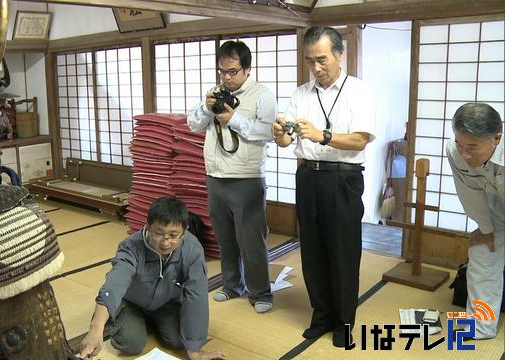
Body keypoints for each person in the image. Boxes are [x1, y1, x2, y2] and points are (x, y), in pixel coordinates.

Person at [272, 26, 375, 347]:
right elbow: (288, 140)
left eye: (322, 60)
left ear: (339, 55)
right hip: (307, 177)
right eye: (309, 61)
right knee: (312, 249)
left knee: (343, 251)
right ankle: (321, 314)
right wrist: (280, 134)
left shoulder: (359, 90)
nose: (316, 68)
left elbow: (360, 139)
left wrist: (323, 135)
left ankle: (344, 321)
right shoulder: (300, 93)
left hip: (342, 178)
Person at [187, 40, 277, 314]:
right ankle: (231, 285)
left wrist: (232, 119)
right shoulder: (216, 92)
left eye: (232, 71)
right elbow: (193, 125)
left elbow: (268, 132)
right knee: (225, 237)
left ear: (247, 69)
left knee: (251, 240)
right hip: (215, 175)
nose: (226, 77)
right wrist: (206, 107)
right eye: (222, 72)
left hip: (246, 177)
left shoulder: (263, 95)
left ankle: (260, 291)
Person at [79, 196, 225, 360]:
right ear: (148, 227)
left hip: (166, 303)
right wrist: (96, 328)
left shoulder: (192, 249)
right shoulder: (131, 246)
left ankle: (150, 323)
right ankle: (123, 317)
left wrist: (194, 350)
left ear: (185, 231)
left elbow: (196, 294)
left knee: (181, 341)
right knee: (130, 344)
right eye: (158, 233)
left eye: (173, 235)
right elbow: (115, 282)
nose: (165, 242)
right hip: (131, 303)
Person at [446, 102, 503, 339]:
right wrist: (486, 230)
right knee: (482, 256)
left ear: (496, 139)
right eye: (460, 143)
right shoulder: (455, 151)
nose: (464, 153)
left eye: (472, 146)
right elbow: (468, 192)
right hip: (497, 209)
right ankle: (481, 325)